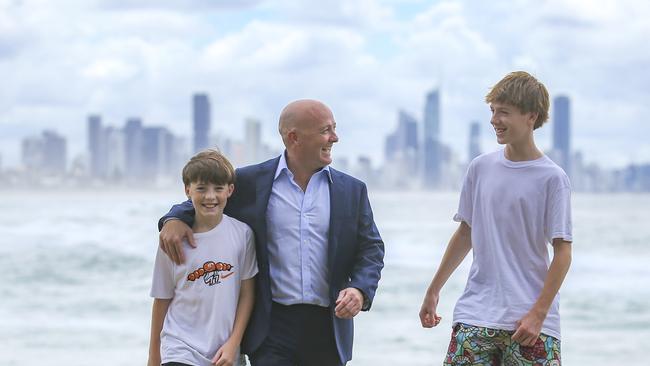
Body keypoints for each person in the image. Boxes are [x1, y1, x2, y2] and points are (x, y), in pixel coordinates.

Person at [158, 99, 385, 366]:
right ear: (294, 138)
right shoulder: (251, 182)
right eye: (326, 130)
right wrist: (173, 218)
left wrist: (359, 289)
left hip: (329, 327)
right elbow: (208, 199)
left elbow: (371, 249)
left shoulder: (352, 190)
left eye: (333, 129)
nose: (335, 137)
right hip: (272, 329)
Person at [419, 71, 572, 365]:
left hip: (531, 324)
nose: (494, 120)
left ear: (531, 116)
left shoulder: (553, 179)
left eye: (504, 112)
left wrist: (538, 314)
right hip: (475, 315)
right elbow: (466, 233)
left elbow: (562, 252)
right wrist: (434, 289)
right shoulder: (480, 168)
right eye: (492, 111)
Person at [148, 149, 258, 366]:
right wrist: (153, 358)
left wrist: (234, 344)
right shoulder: (172, 240)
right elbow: (161, 300)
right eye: (201, 189)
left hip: (223, 353)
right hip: (179, 349)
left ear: (230, 190)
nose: (210, 196)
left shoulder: (242, 234)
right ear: (187, 190)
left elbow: (247, 294)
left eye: (218, 188)